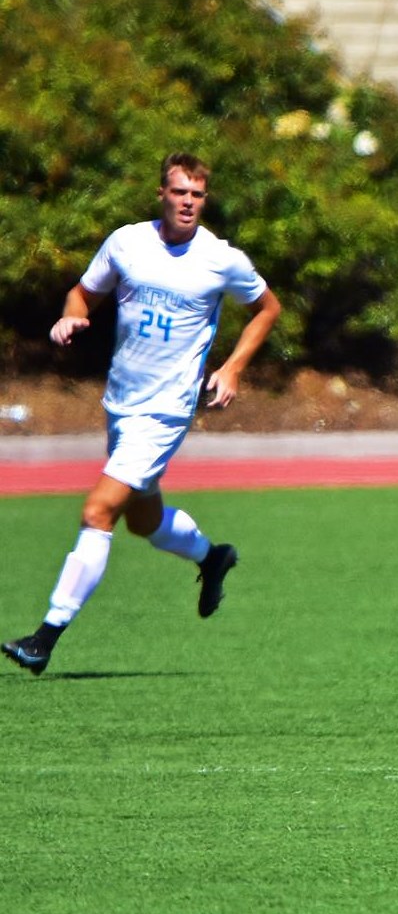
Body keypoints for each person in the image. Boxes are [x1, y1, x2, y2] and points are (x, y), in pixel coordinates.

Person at [2, 153, 282, 676]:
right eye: (180, 192)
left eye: (197, 194)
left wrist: (234, 367)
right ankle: (210, 556)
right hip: (122, 404)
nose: (189, 202)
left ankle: (45, 636)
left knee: (98, 512)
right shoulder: (127, 242)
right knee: (143, 520)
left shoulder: (222, 259)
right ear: (162, 194)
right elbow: (83, 293)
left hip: (166, 412)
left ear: (205, 199)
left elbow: (267, 308)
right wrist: (71, 317)